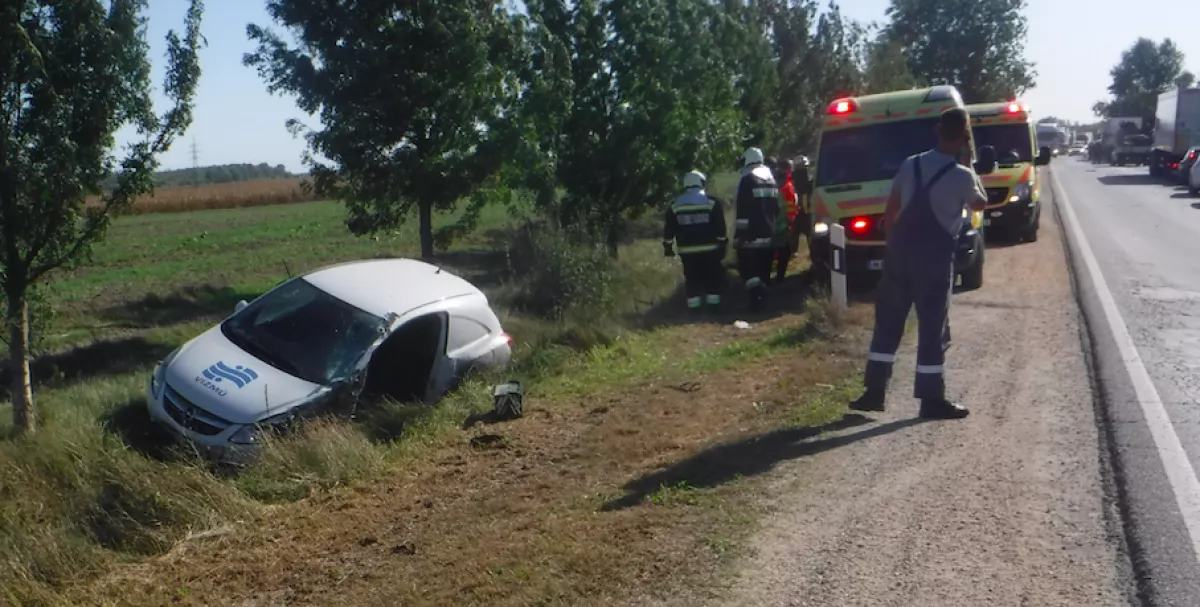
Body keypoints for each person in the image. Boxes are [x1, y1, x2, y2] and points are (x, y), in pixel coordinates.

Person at [849, 108, 988, 419]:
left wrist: (895, 248)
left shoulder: (911, 164)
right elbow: (979, 203)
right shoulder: (961, 175)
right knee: (932, 328)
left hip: (899, 254)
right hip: (934, 259)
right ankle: (931, 399)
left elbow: (891, 209)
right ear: (964, 137)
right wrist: (968, 164)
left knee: (888, 322)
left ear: (938, 130)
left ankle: (874, 392)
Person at [663, 170, 728, 312]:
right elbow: (720, 226)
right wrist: (722, 243)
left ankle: (694, 309)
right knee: (712, 277)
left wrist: (668, 247)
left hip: (687, 251)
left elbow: (669, 229)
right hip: (710, 249)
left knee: (692, 279)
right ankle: (714, 308)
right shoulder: (711, 203)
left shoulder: (675, 205)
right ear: (701, 183)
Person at [733, 147, 781, 311]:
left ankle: (756, 300)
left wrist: (741, 233)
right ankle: (764, 297)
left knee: (746, 267)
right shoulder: (771, 179)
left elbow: (743, 210)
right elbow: (776, 208)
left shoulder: (747, 180)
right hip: (768, 233)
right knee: (763, 268)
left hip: (751, 235)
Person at [771, 158, 800, 284]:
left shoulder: (777, 183)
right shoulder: (786, 186)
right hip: (782, 223)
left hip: (776, 223)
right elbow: (790, 205)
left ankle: (776, 276)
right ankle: (779, 278)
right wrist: (791, 219)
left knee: (779, 250)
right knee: (783, 251)